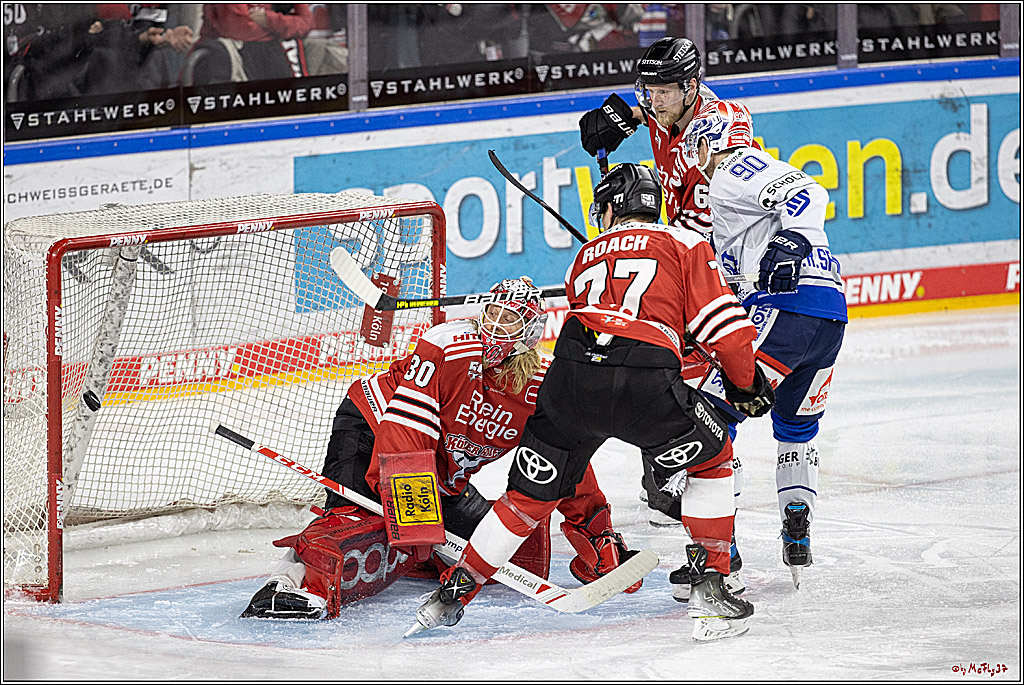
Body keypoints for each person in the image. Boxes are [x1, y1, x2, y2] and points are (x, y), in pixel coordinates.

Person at [413, 163, 774, 642]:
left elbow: (609, 316)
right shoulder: (686, 243)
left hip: (568, 378)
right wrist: (746, 385)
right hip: (642, 379)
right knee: (713, 458)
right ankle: (711, 586)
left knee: (526, 497)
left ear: (611, 207)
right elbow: (725, 331)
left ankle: (452, 593)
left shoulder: (583, 256)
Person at [242, 277, 638, 619]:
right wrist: (414, 511)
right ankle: (286, 586)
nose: (496, 327)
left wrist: (597, 534)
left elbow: (562, 464)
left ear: (531, 332)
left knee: (519, 559)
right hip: (372, 429)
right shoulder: (447, 343)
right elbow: (405, 429)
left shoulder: (540, 388)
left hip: (440, 474)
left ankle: (417, 555)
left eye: (510, 320)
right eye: (493, 314)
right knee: (349, 529)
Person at [579, 35, 757, 580]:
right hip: (675, 263)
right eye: (647, 90)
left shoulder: (720, 127)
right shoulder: (663, 108)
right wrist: (614, 117)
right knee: (662, 386)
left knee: (693, 408)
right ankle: (681, 494)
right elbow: (636, 116)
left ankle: (714, 540)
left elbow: (704, 223)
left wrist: (635, 236)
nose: (652, 100)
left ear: (691, 87)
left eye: (661, 90)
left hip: (716, 272)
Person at [681, 99, 847, 589]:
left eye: (698, 149)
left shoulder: (734, 169)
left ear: (711, 140)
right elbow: (733, 281)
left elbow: (807, 190)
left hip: (789, 309)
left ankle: (718, 550)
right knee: (795, 427)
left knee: (708, 418)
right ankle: (797, 525)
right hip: (829, 316)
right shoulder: (736, 215)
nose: (698, 164)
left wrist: (795, 238)